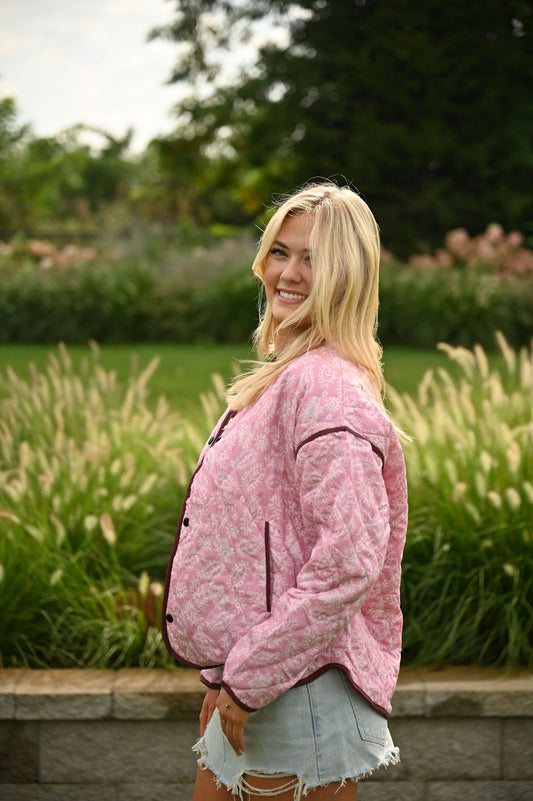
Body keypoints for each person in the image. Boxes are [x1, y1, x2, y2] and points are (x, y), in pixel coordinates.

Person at [162, 180, 408, 801]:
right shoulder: (292, 377)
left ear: (347, 276)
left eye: (313, 259)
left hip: (297, 697)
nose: (289, 273)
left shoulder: (325, 388)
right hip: (267, 687)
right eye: (281, 252)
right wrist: (227, 675)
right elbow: (266, 548)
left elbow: (350, 558)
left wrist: (247, 678)